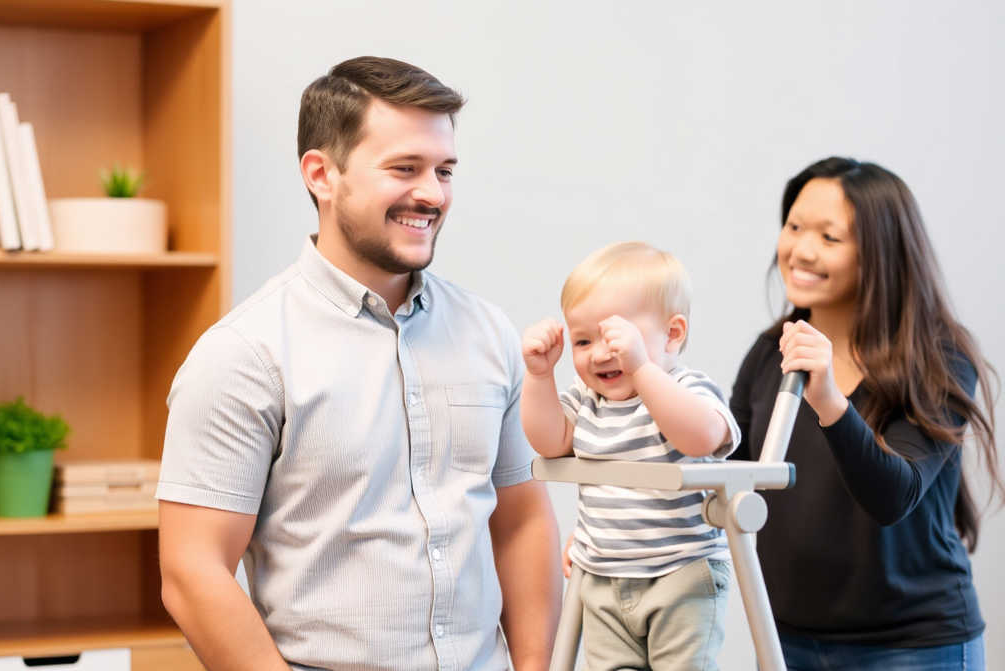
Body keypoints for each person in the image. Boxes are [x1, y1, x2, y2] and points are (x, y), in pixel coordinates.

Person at [156, 56, 561, 671]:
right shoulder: (243, 354)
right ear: (322, 174)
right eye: (405, 168)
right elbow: (193, 572)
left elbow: (522, 522)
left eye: (444, 171)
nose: (433, 194)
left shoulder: (490, 334)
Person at [731, 156, 1002, 670]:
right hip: (787, 639)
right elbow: (724, 480)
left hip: (915, 647)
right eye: (794, 227)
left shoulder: (937, 358)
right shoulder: (769, 354)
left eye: (829, 237)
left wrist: (830, 402)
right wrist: (611, 543)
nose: (800, 250)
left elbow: (892, 495)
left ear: (881, 252)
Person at [520, 242, 741, 671]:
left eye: (615, 338)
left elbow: (703, 437)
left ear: (672, 334)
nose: (600, 353)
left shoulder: (683, 388)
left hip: (681, 573)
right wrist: (539, 375)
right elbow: (548, 441)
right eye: (583, 341)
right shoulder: (587, 401)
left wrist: (643, 370)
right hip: (604, 578)